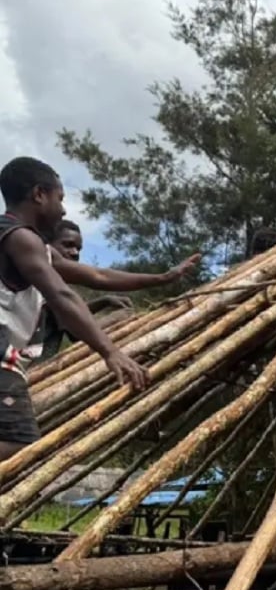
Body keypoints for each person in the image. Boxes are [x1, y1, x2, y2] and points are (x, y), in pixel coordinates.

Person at [0, 157, 194, 461]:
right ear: (39, 194)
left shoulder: (33, 245)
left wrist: (161, 278)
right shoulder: (20, 237)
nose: (63, 209)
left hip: (8, 356)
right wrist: (110, 351)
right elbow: (61, 294)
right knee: (21, 446)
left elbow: (97, 276)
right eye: (60, 198)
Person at [35, 220, 197, 362]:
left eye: (78, 248)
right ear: (49, 246)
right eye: (68, 245)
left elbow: (66, 314)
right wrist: (120, 317)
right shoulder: (38, 282)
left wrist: (103, 301)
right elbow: (77, 329)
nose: (75, 253)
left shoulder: (52, 283)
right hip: (25, 371)